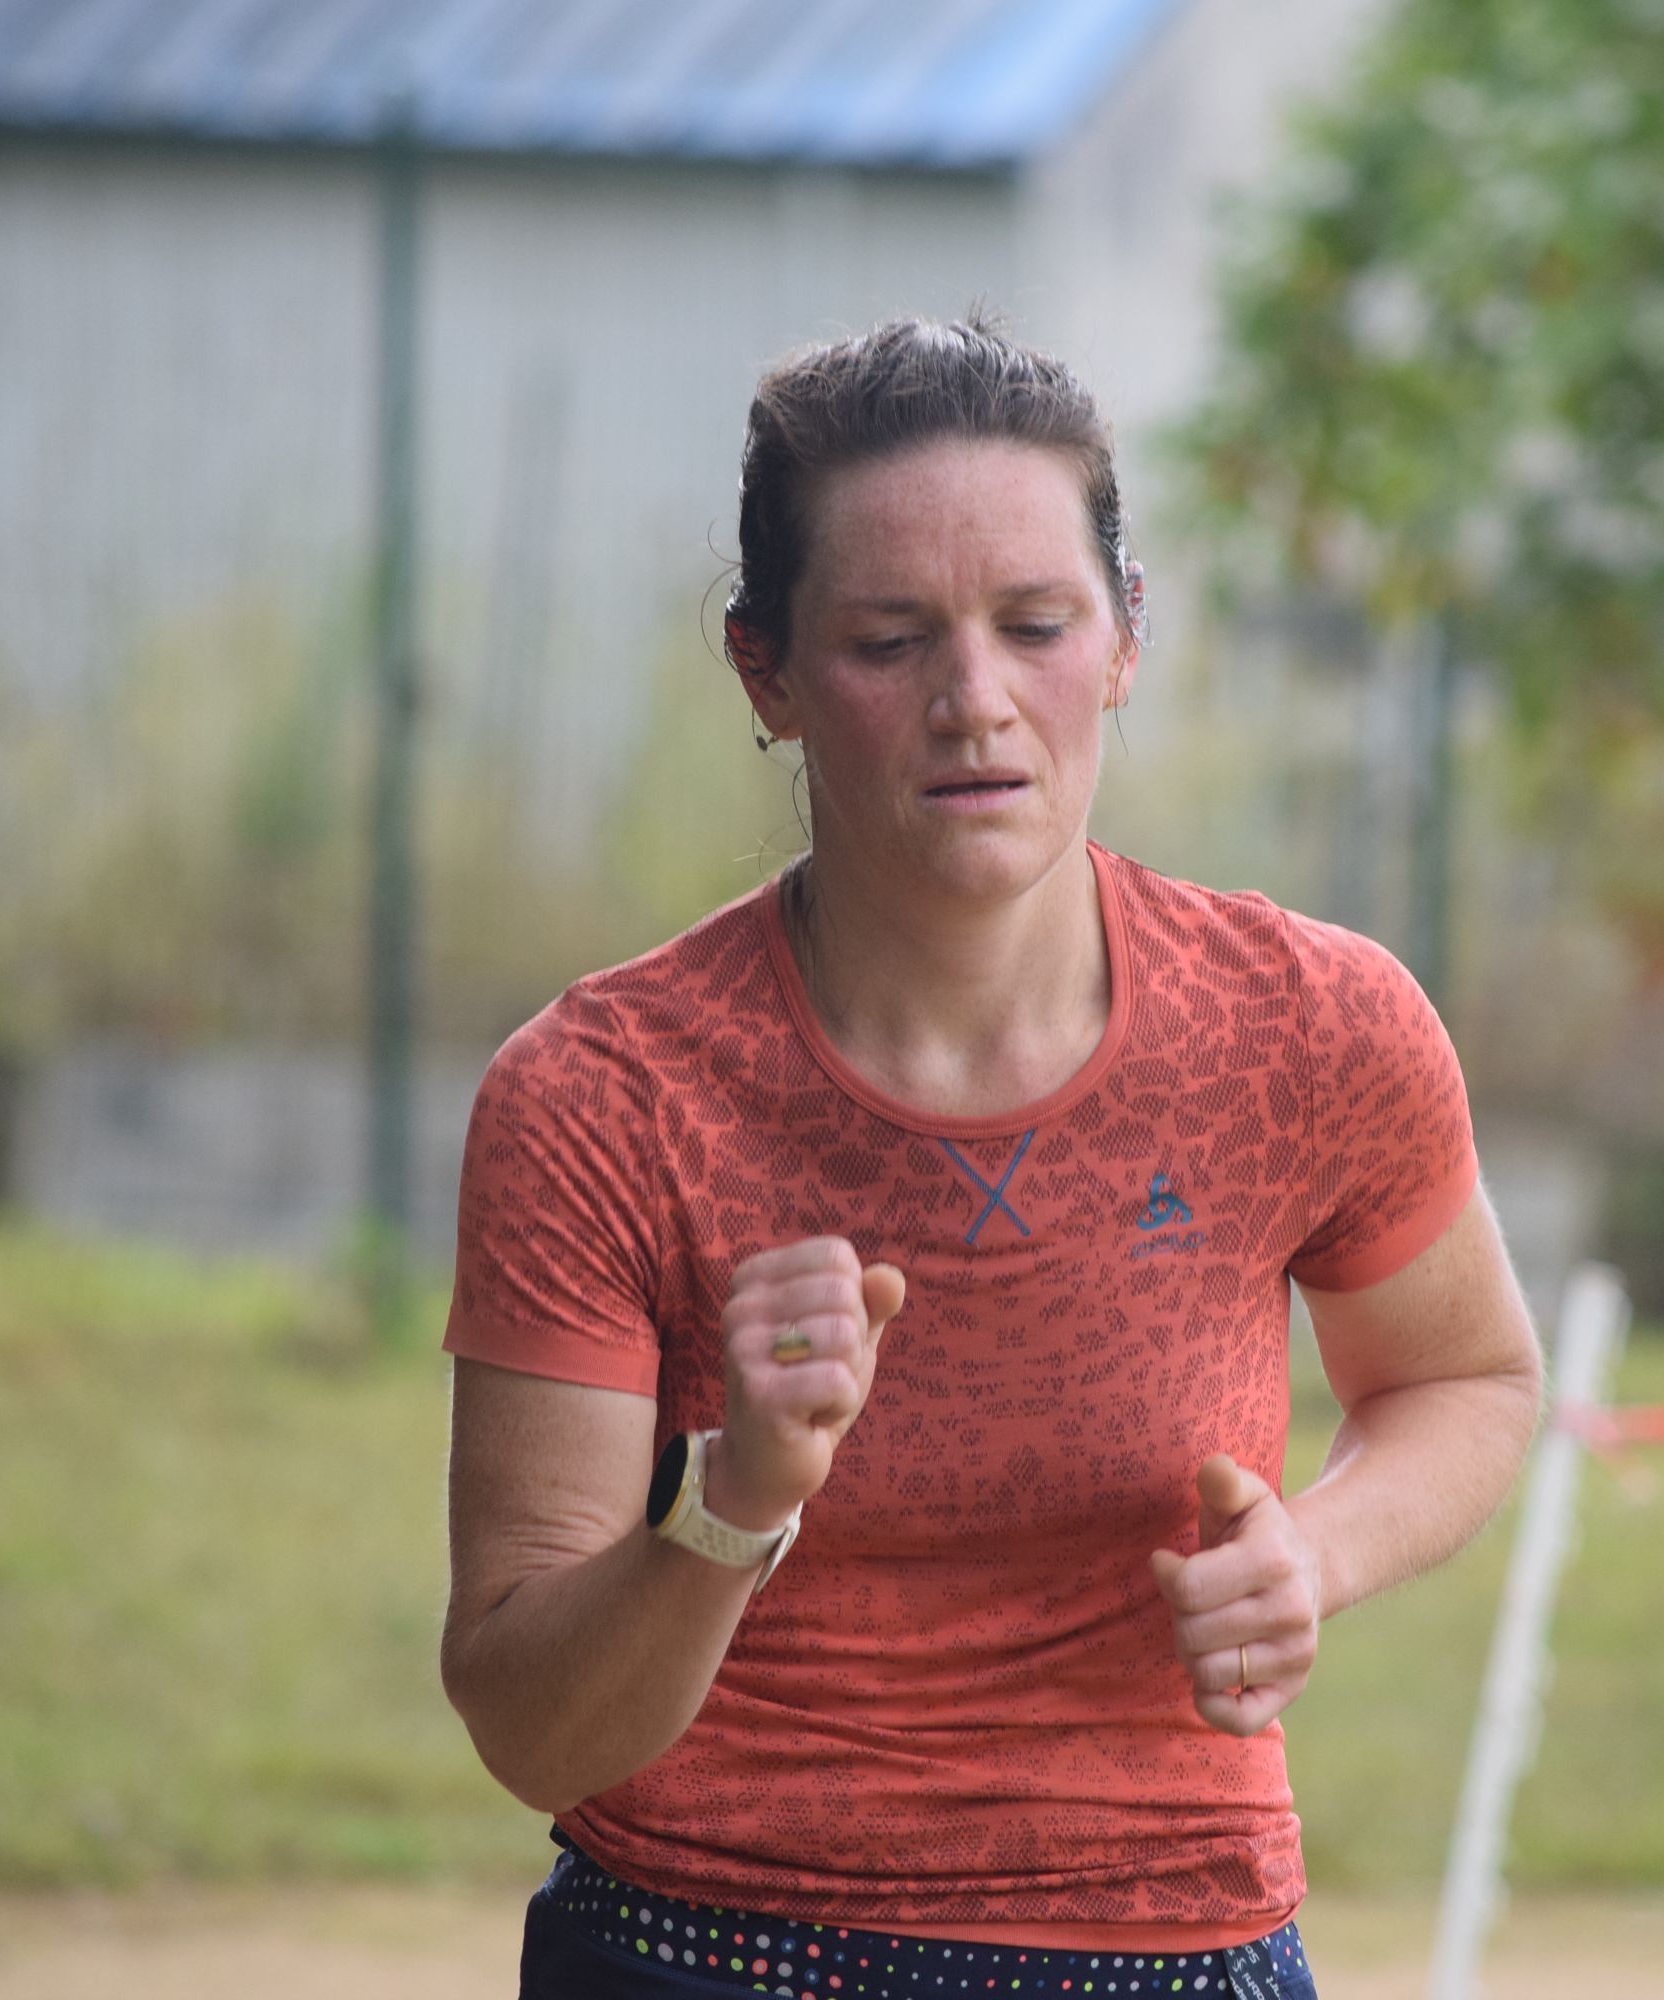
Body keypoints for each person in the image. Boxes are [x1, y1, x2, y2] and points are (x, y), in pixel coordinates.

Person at [440, 316, 1544, 2000]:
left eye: (1036, 626)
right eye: (889, 642)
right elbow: (533, 1730)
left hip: (1177, 1949)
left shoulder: (1308, 1027)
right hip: (701, 1953)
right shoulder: (603, 1096)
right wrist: (736, 1501)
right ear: (766, 674)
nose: (975, 703)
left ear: (1125, 638)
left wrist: (1313, 1557)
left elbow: (1466, 1378)